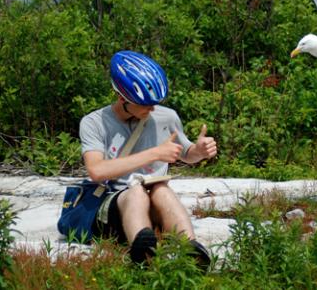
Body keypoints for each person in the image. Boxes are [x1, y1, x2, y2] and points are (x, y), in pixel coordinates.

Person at [79, 50, 218, 266]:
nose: (152, 109)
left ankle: (191, 251)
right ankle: (142, 255)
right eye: (144, 104)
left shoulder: (167, 116)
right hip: (115, 203)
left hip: (155, 200)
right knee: (135, 192)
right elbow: (96, 171)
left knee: (161, 189)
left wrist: (198, 152)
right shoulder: (93, 122)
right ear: (121, 97)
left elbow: (186, 153)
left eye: (155, 103)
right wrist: (154, 154)